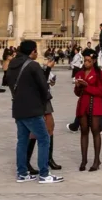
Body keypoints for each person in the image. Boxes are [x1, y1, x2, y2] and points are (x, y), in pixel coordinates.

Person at [9, 40, 62, 183]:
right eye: (36, 50)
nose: (37, 53)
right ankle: (44, 174)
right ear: (32, 51)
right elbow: (43, 86)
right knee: (44, 139)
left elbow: (8, 82)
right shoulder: (33, 65)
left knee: (22, 141)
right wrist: (45, 98)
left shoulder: (12, 64)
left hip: (18, 107)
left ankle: (22, 173)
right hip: (32, 108)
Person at [73, 48, 102, 172]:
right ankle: (83, 159)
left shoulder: (100, 74)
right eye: (85, 60)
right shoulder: (79, 74)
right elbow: (77, 93)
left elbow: (100, 91)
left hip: (95, 105)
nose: (86, 63)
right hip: (83, 105)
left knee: (95, 131)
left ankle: (97, 160)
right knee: (84, 132)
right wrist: (77, 87)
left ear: (93, 61)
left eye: (88, 61)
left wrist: (86, 87)